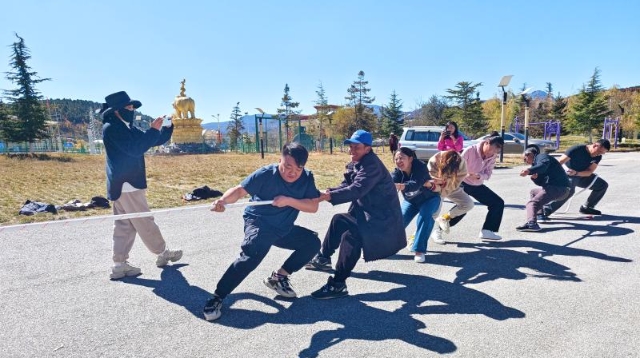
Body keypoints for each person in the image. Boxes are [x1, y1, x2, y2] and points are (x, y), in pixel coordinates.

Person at [203, 143, 321, 321]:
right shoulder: (266, 174)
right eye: (288, 166)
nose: (293, 172)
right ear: (279, 159)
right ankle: (217, 297)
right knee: (253, 253)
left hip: (283, 228)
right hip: (259, 222)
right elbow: (240, 190)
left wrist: (288, 200)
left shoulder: (306, 177)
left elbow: (313, 206)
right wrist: (222, 202)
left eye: (299, 168)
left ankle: (278, 278)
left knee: (311, 243)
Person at [306, 130, 406, 299]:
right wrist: (326, 193)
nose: (352, 150)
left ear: (367, 148)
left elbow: (357, 189)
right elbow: (347, 184)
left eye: (356, 147)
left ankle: (338, 284)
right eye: (351, 146)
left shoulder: (372, 166)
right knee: (339, 220)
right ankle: (323, 258)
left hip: (381, 219)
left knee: (352, 236)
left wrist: (329, 196)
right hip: (368, 213)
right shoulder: (358, 162)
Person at [101, 91, 182, 280]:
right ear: (117, 110)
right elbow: (136, 148)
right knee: (144, 220)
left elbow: (150, 141)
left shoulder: (125, 126)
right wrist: (153, 130)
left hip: (122, 183)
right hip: (127, 183)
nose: (132, 110)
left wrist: (166, 128)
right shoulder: (112, 128)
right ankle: (162, 252)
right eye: (129, 107)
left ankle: (119, 264)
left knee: (124, 225)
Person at [434, 136, 505, 241]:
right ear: (486, 143)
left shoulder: (493, 156)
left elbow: (488, 174)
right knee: (464, 207)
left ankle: (487, 231)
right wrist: (466, 174)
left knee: (497, 203)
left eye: (496, 151)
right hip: (462, 182)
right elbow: (456, 167)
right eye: (491, 150)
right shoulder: (470, 150)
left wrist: (479, 176)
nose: (491, 153)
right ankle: (438, 230)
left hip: (477, 184)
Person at [391, 147, 440, 263]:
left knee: (425, 217)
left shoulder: (421, 167)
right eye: (396, 159)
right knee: (398, 221)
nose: (398, 161)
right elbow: (390, 180)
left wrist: (401, 186)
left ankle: (419, 250)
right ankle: (382, 247)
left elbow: (416, 183)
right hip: (411, 201)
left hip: (429, 199)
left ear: (410, 158)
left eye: (401, 158)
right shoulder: (398, 172)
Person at [542, 139, 610, 219]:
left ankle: (587, 207)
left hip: (580, 175)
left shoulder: (598, 157)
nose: (599, 154)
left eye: (602, 153)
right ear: (595, 145)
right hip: (567, 174)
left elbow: (589, 172)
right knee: (569, 191)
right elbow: (560, 162)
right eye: (599, 151)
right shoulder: (577, 149)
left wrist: (577, 173)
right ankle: (547, 209)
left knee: (602, 185)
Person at [517, 145, 570, 232]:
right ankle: (540, 215)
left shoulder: (541, 157)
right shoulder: (537, 164)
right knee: (534, 192)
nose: (526, 162)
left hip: (559, 188)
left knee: (532, 203)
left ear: (529, 154)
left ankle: (532, 224)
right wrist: (536, 179)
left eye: (525, 159)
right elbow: (542, 183)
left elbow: (543, 165)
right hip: (558, 190)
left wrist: (529, 170)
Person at [428, 150, 470, 244]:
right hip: (437, 189)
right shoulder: (434, 160)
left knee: (468, 204)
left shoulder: (461, 162)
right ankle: (414, 238)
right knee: (432, 214)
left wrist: (446, 183)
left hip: (451, 186)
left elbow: (457, 181)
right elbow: (430, 179)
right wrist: (440, 183)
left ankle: (444, 218)